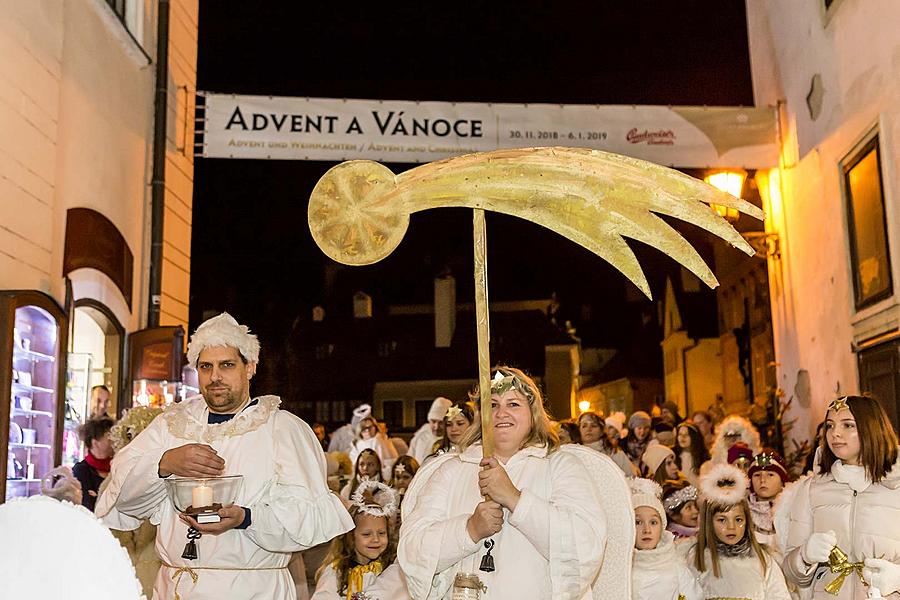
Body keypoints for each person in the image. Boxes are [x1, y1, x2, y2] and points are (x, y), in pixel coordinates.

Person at [96, 312, 353, 600]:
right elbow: (121, 497)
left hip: (250, 590)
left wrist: (246, 518)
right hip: (175, 587)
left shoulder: (282, 430)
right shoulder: (171, 425)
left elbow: (307, 521)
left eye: (227, 365)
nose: (215, 376)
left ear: (250, 367)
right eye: (206, 366)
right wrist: (164, 463)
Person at [399, 366, 635, 599]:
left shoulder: (561, 466)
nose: (502, 413)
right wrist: (469, 530)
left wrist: (515, 499)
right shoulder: (451, 471)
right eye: (492, 405)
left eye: (513, 403)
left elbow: (584, 547)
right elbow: (412, 551)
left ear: (532, 414)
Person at [778, 395, 900, 599]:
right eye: (830, 426)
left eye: (848, 425)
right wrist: (805, 556)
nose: (835, 434)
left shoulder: (896, 486)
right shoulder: (811, 489)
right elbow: (791, 573)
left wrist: (897, 578)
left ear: (871, 428)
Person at [686, 464, 790, 600]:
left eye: (738, 519)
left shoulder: (763, 560)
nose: (731, 527)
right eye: (722, 520)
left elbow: (779, 596)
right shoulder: (695, 559)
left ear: (747, 521)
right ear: (709, 523)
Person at [312, 481, 408, 600]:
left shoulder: (392, 568)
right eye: (367, 534)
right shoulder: (336, 572)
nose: (376, 539)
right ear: (351, 536)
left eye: (382, 533)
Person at [630, 478, 702, 600]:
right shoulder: (621, 566)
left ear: (661, 527)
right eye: (638, 522)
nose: (647, 530)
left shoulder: (676, 565)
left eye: (653, 522)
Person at [72, 416, 115, 511]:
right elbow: (87, 506)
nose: (114, 440)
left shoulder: (117, 466)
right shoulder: (81, 470)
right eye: (109, 436)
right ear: (95, 442)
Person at [746, 452, 788, 548]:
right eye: (757, 475)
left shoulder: (794, 508)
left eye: (770, 475)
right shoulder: (742, 511)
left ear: (782, 481)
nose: (762, 480)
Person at [579, 410, 639, 477]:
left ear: (602, 431)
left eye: (593, 426)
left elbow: (631, 477)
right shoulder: (574, 452)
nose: (588, 429)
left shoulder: (614, 453)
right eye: (584, 426)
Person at [349, 415, 399, 480]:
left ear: (375, 427)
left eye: (370, 427)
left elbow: (386, 462)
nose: (368, 431)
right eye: (364, 429)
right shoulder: (357, 444)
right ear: (360, 430)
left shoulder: (380, 441)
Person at [407, 397, 452, 464]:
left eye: (441, 423)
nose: (436, 427)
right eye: (433, 421)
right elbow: (409, 460)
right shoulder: (420, 436)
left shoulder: (454, 439)